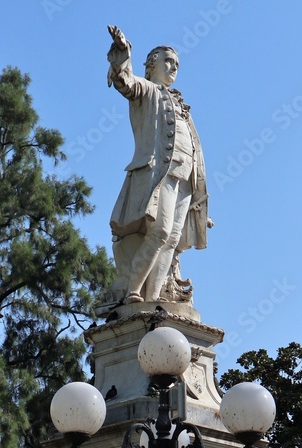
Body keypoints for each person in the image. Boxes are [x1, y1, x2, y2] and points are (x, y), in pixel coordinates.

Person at [105, 24, 210, 306]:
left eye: (177, 63)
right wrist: (122, 51)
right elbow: (124, 81)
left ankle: (153, 299)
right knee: (160, 232)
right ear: (151, 66)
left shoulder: (182, 105)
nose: (174, 67)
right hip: (158, 174)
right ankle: (133, 292)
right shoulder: (148, 90)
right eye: (168, 61)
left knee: (172, 240)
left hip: (183, 179)